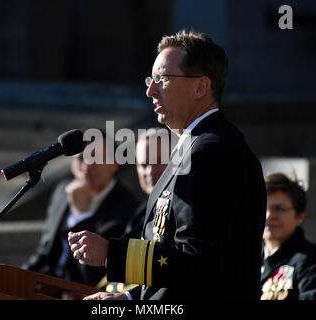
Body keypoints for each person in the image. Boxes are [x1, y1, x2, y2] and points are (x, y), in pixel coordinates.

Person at [68, 29, 267, 300]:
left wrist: (111, 254)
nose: (150, 90)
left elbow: (199, 262)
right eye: (151, 79)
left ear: (200, 87)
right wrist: (129, 299)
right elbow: (178, 266)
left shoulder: (212, 152)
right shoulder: (194, 146)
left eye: (162, 79)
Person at [22, 131, 139, 293]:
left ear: (115, 163)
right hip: (46, 288)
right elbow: (45, 253)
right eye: (80, 158)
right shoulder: (62, 192)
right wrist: (15, 279)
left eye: (96, 157)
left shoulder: (128, 208)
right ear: (71, 164)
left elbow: (94, 275)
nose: (87, 166)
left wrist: (81, 213)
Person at [98, 127, 172, 293]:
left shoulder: (180, 212)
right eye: (143, 164)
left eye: (158, 161)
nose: (150, 171)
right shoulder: (141, 212)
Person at [261, 172, 316, 300]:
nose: (268, 216)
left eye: (279, 208)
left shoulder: (314, 260)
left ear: (299, 217)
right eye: (262, 207)